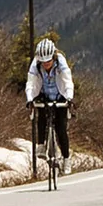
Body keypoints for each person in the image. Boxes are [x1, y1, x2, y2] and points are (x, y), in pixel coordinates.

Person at [24, 37, 74, 165]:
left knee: (61, 128)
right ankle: (41, 145)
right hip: (44, 94)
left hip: (60, 95)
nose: (46, 64)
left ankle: (66, 159)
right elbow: (31, 83)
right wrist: (30, 99)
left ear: (53, 57)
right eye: (43, 62)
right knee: (41, 118)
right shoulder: (35, 64)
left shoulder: (61, 62)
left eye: (48, 61)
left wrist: (69, 98)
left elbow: (68, 81)